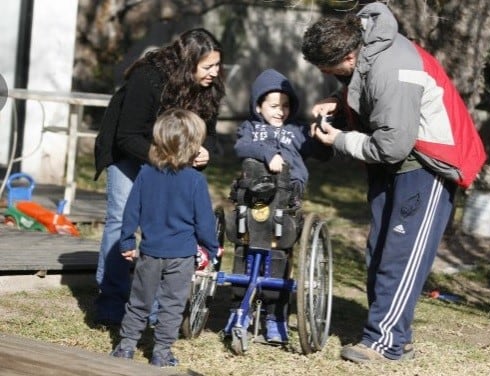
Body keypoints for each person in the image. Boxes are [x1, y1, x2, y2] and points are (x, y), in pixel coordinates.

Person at [301, 2, 486, 362]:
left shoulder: (395, 67)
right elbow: (366, 90)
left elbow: (391, 144)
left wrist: (337, 139)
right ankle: (392, 333)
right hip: (397, 162)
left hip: (429, 164)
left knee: (400, 256)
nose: (328, 73)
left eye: (330, 69)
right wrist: (338, 102)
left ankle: (386, 343)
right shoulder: (370, 52)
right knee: (380, 251)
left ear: (349, 55)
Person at [94, 28, 225, 326]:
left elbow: (213, 136)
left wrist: (207, 153)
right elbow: (127, 136)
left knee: (166, 223)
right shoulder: (148, 77)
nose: (215, 73)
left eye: (217, 65)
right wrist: (168, 158)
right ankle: (111, 299)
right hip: (130, 152)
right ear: (187, 63)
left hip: (172, 160)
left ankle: (153, 304)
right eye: (208, 67)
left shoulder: (209, 88)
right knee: (120, 217)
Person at [110, 108, 220, 367]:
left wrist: (127, 241)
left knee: (139, 301)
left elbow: (131, 210)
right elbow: (204, 221)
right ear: (193, 146)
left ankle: (126, 346)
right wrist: (212, 248)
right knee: (172, 305)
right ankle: (161, 352)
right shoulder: (195, 180)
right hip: (181, 256)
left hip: (149, 252)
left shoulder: (146, 174)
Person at [231, 68, 332, 343]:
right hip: (254, 194)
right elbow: (241, 147)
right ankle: (240, 308)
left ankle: (275, 316)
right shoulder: (251, 129)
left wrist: (321, 132)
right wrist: (268, 153)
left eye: (285, 106)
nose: (281, 111)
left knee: (280, 253)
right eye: (274, 106)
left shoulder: (297, 130)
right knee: (245, 247)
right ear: (258, 105)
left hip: (287, 195)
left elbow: (323, 154)